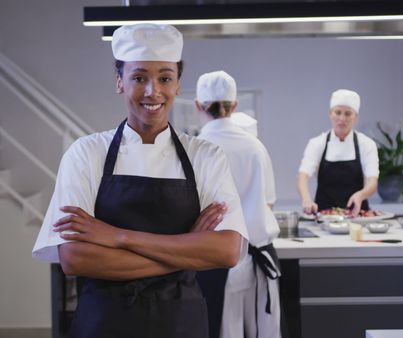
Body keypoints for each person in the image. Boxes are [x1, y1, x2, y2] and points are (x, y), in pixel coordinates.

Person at [32, 23, 249, 338]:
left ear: (177, 84)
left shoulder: (205, 156)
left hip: (181, 325)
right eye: (138, 78)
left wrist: (117, 237)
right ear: (120, 82)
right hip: (104, 325)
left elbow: (226, 251)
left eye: (165, 78)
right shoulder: (86, 154)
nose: (153, 91)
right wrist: (186, 251)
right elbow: (75, 257)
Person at [195, 70, 282, 338]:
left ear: (198, 106)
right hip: (257, 262)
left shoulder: (196, 148)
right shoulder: (256, 147)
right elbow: (268, 204)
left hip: (213, 263)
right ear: (235, 106)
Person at [296, 89, 379, 216]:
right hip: (324, 217)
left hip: (357, 216)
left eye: (348, 114)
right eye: (338, 112)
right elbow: (303, 176)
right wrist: (306, 199)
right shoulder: (317, 143)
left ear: (355, 117)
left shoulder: (366, 144)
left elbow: (372, 182)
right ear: (330, 114)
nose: (342, 118)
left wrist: (360, 195)